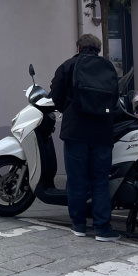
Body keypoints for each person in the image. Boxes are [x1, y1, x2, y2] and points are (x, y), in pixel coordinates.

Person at [50, 33, 119, 241]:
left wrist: (69, 111)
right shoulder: (108, 68)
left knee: (77, 180)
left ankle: (79, 225)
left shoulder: (68, 65)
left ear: (79, 47)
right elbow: (115, 98)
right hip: (102, 133)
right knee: (100, 181)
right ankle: (102, 229)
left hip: (76, 131)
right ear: (98, 49)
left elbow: (55, 96)